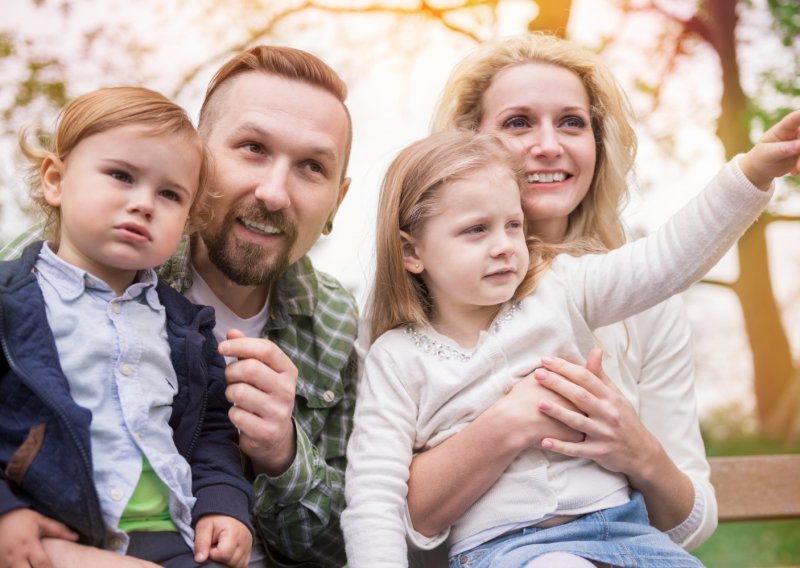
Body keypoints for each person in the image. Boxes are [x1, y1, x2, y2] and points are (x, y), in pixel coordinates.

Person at [342, 121, 800, 567]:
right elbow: (374, 498)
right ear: (411, 252)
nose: (504, 245)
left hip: (628, 532)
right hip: (508, 550)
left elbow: (666, 259)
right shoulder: (397, 358)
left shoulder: (560, 288)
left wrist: (753, 173)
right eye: (476, 230)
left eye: (513, 225)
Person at [0, 45, 358, 568]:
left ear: (338, 201)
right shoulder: (53, 266)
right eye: (253, 147)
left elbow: (347, 546)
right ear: (202, 159)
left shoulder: (338, 325)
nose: (274, 192)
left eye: (311, 166)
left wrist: (282, 453)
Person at [402, 32, 737, 563]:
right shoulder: (417, 311)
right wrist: (513, 422)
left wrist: (637, 449)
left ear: (597, 144)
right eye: (518, 122)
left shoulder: (644, 301)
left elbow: (688, 529)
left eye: (571, 122)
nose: (548, 145)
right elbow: (397, 518)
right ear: (468, 146)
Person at [0, 87, 255, 568]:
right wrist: (5, 512)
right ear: (55, 180)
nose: (144, 203)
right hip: (54, 529)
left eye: (169, 194)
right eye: (121, 176)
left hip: (175, 538)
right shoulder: (11, 302)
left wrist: (225, 503)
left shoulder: (185, 327)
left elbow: (211, 431)